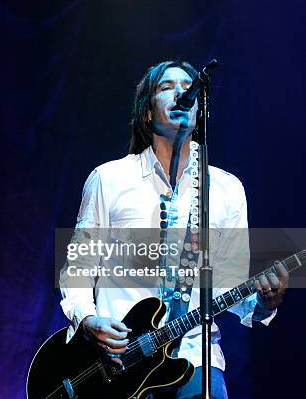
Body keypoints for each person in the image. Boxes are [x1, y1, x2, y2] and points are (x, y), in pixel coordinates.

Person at [59, 60, 288, 398]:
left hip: (197, 361)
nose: (182, 93)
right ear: (147, 112)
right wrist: (89, 320)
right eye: (167, 87)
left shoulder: (225, 188)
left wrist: (266, 301)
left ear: (200, 109)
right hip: (118, 364)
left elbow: (232, 281)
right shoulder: (109, 179)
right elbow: (78, 268)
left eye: (188, 88)